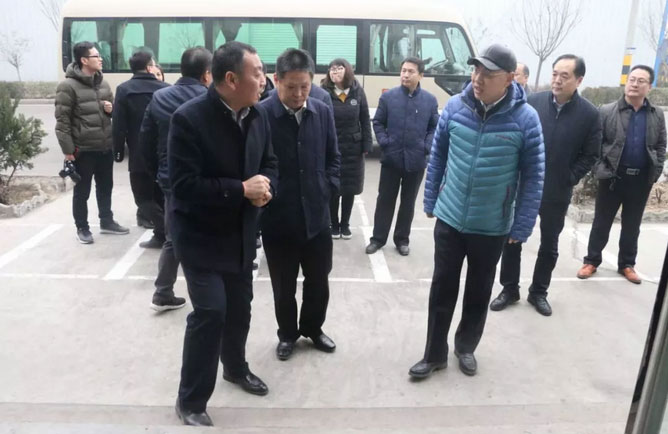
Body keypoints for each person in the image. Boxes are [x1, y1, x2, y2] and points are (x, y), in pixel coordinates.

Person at [409, 44, 545, 379]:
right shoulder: (456, 107)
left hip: (491, 224)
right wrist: (431, 199)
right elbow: (438, 155)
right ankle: (434, 354)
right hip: (450, 218)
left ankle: (466, 347)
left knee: (479, 290)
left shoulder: (525, 119)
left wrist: (522, 225)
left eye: (488, 74)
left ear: (509, 79)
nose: (478, 79)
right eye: (475, 71)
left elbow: (534, 176)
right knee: (442, 289)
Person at [169, 41, 278, 426]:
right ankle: (191, 401)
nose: (264, 80)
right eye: (258, 73)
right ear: (231, 79)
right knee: (211, 311)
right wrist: (240, 189)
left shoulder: (258, 115)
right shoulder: (188, 119)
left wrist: (266, 189)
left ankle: (235, 368)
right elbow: (183, 186)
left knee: (239, 309)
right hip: (200, 237)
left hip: (241, 234)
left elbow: (270, 163)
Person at [490, 54, 601, 316]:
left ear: (579, 80)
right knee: (512, 238)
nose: (557, 80)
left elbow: (591, 154)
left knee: (549, 245)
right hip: (524, 187)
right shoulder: (533, 103)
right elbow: (515, 136)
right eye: (555, 74)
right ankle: (509, 288)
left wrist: (569, 177)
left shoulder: (589, 114)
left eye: (565, 76)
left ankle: (539, 292)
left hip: (556, 191)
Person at [260, 48, 340, 361]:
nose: (298, 94)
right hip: (279, 219)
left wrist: (327, 187)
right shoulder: (261, 115)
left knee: (319, 280)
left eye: (304, 86)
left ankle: (313, 328)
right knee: (283, 285)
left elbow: (333, 157)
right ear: (277, 80)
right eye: (291, 86)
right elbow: (254, 163)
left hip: (317, 216)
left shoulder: (322, 110)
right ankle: (287, 334)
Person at [577, 65, 666, 284]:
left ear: (649, 86)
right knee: (601, 222)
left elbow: (660, 146)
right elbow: (595, 144)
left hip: (641, 179)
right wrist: (599, 169)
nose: (634, 84)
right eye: (632, 79)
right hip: (612, 177)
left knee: (632, 225)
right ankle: (591, 261)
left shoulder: (656, 114)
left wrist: (655, 172)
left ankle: (627, 264)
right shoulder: (607, 111)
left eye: (640, 81)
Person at [139, 46, 213, 311]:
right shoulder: (210, 99)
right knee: (210, 236)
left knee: (174, 236)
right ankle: (208, 297)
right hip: (206, 181)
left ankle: (163, 292)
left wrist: (159, 172)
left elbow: (145, 141)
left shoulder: (160, 97)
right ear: (207, 74)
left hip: (171, 179)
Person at [55, 41, 129, 244]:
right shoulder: (67, 87)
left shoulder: (103, 84)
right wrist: (68, 151)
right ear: (84, 60)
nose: (101, 59)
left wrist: (111, 109)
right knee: (82, 191)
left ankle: (107, 221)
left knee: (105, 187)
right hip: (83, 149)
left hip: (104, 146)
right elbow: (62, 122)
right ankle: (82, 227)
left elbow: (114, 112)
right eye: (96, 56)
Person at [366, 57, 438, 256]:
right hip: (391, 158)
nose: (405, 75)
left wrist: (426, 146)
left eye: (410, 71)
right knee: (385, 201)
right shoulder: (389, 97)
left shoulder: (430, 100)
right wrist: (385, 142)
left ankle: (402, 240)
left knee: (408, 203)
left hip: (416, 160)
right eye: (403, 70)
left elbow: (434, 127)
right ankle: (378, 239)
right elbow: (378, 122)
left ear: (421, 75)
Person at [112, 50, 169, 247]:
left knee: (143, 198)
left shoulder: (124, 90)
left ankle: (165, 231)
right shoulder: (165, 89)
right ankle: (163, 234)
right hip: (164, 152)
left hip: (138, 153)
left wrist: (118, 152)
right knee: (161, 196)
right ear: (149, 67)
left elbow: (118, 125)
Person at [321, 58, 372, 239]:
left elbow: (364, 119)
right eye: (332, 69)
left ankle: (345, 224)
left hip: (353, 148)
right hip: (331, 146)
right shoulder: (324, 92)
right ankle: (334, 224)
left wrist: (366, 144)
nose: (335, 72)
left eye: (339, 68)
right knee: (334, 187)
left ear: (347, 70)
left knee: (350, 188)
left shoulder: (357, 91)